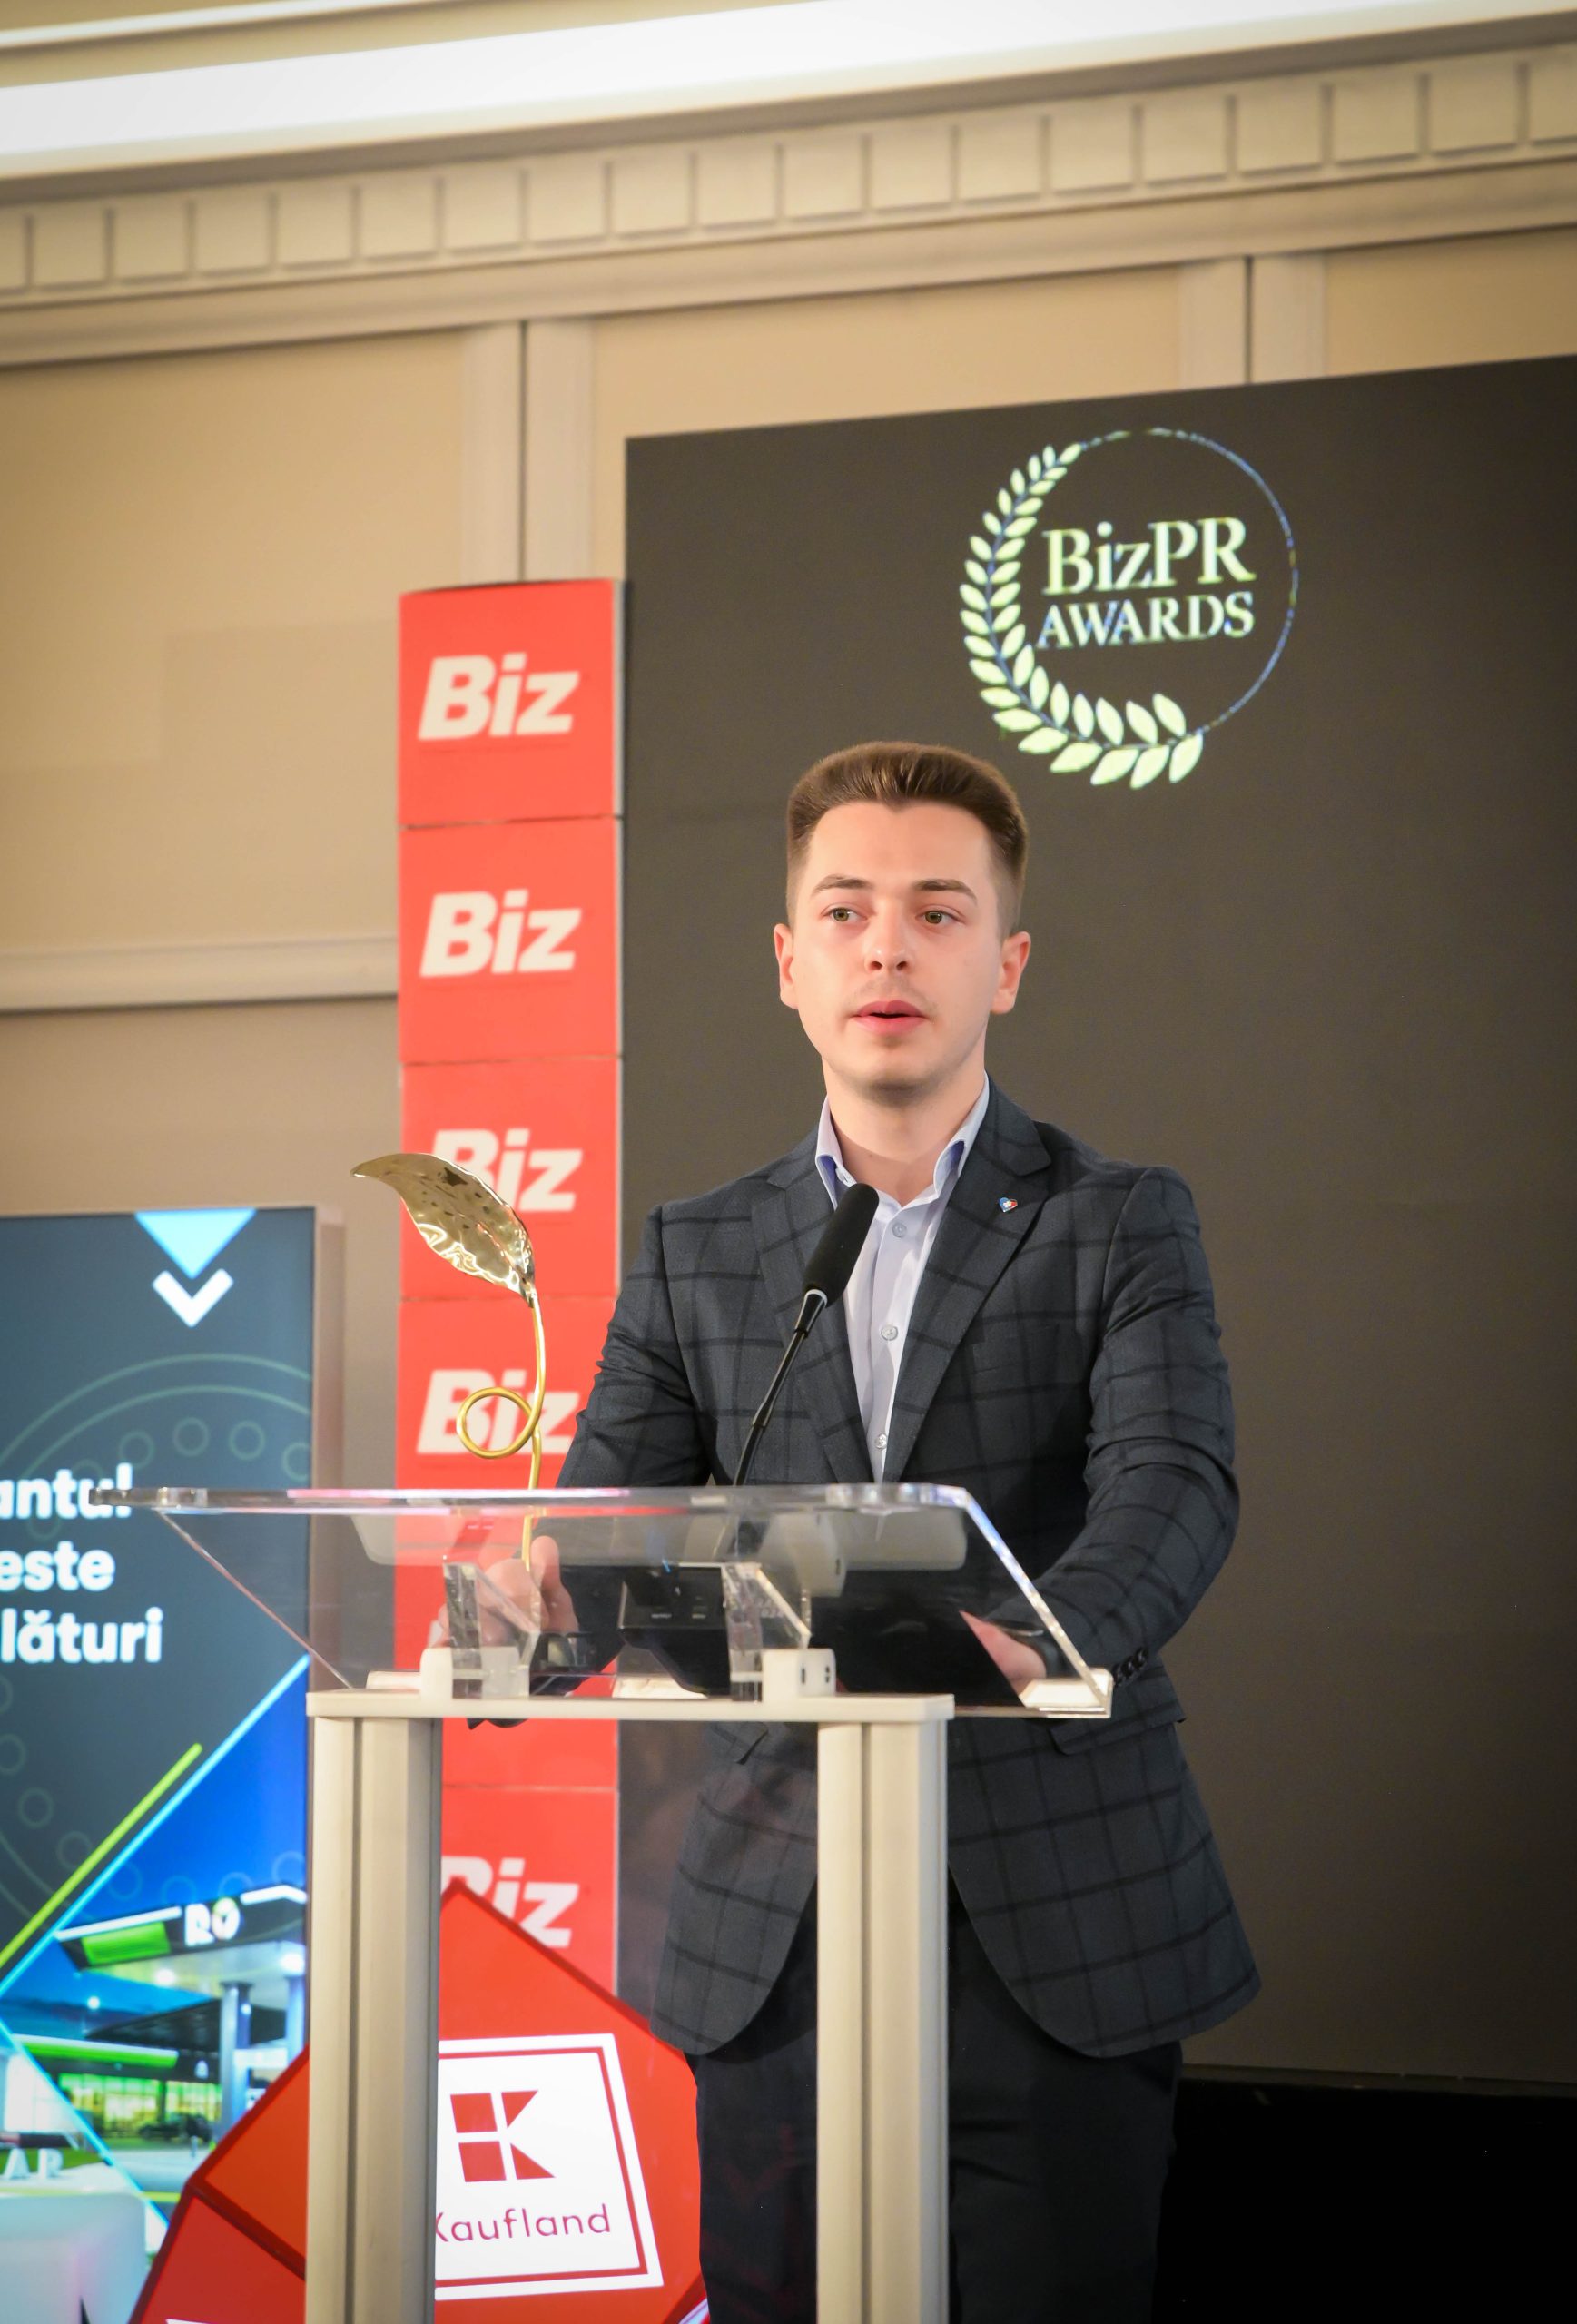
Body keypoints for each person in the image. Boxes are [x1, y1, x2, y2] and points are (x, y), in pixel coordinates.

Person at [537, 741, 1258, 2320]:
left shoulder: (1115, 1218)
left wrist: (1032, 1638)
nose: (887, 949)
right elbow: (603, 1519)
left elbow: (1172, 1484)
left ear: (1004, 964)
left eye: (937, 913)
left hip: (1049, 1915)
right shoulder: (696, 1248)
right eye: (846, 911)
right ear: (788, 963)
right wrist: (535, 1588)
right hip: (778, 1919)